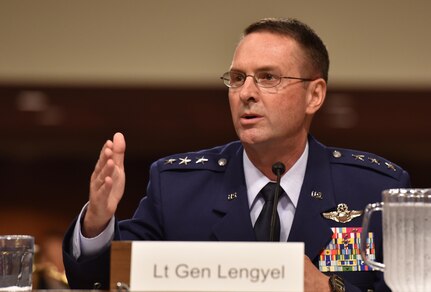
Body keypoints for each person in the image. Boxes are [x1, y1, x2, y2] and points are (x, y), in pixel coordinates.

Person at [62, 18, 410, 292]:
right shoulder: (178, 186)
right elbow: (103, 281)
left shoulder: (374, 190)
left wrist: (328, 289)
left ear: (314, 95)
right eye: (237, 77)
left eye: (268, 77)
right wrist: (97, 221)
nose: (246, 93)